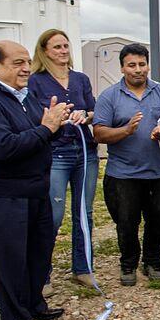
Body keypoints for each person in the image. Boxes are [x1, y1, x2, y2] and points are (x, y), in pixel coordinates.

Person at [0, 40, 69, 320]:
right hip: (2, 194)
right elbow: (4, 148)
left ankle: (34, 304)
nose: (26, 69)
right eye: (17, 63)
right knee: (10, 257)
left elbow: (42, 137)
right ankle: (13, 319)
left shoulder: (25, 96)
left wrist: (59, 124)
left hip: (34, 189)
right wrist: (47, 128)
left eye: (27, 63)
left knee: (38, 250)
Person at [93, 43, 160, 286]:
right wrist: (126, 130)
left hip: (159, 172)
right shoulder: (109, 96)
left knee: (159, 219)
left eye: (142, 64)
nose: (138, 70)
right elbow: (99, 133)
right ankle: (128, 263)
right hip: (123, 174)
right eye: (132, 65)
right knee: (127, 222)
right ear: (122, 68)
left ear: (148, 65)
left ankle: (153, 260)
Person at [28, 29, 98, 295]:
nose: (62, 50)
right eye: (56, 46)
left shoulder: (80, 79)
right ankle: (42, 273)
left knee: (84, 212)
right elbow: (34, 115)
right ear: (44, 51)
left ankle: (82, 268)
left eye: (65, 45)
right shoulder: (36, 81)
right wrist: (55, 118)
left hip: (84, 151)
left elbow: (93, 110)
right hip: (56, 152)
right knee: (52, 215)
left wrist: (85, 115)